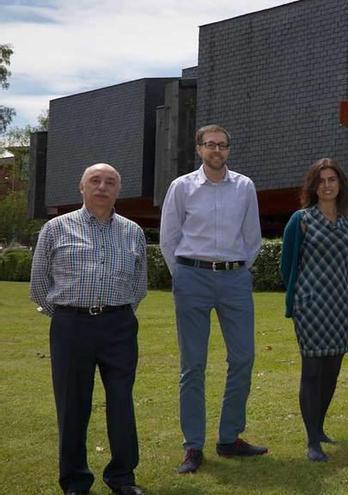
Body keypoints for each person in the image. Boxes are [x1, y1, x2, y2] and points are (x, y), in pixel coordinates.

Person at [30, 163, 147, 495]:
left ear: (118, 190)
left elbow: (139, 287)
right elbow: (39, 284)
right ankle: (75, 480)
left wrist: (113, 312)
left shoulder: (133, 231)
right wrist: (69, 315)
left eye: (110, 182)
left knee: (121, 401)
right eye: (94, 181)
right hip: (71, 326)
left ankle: (122, 477)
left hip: (119, 326)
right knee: (72, 404)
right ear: (81, 187)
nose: (102, 187)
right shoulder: (55, 228)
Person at [160, 124, 266, 474]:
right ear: (199, 149)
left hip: (234, 278)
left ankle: (229, 438)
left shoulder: (245, 187)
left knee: (243, 358)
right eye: (210, 145)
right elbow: (169, 237)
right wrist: (185, 275)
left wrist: (236, 269)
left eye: (222, 145)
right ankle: (193, 445)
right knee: (193, 365)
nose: (216, 150)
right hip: (192, 276)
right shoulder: (182, 187)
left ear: (229, 150)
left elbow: (252, 237)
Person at [280, 158, 348, 462]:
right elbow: (287, 265)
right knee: (312, 370)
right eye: (321, 180)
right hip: (311, 305)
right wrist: (298, 298)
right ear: (313, 186)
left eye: (332, 179)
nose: (327, 185)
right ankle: (312, 439)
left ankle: (320, 425)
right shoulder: (300, 220)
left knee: (332, 370)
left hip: (341, 305)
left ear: (340, 185)